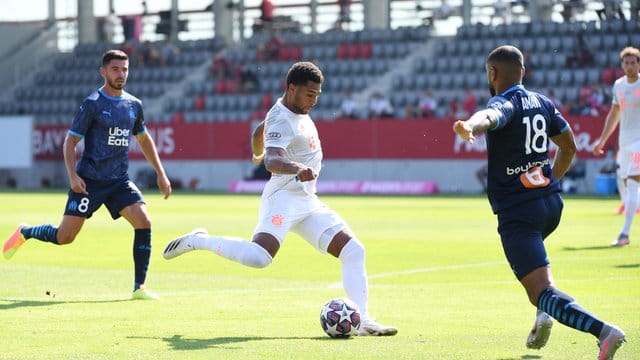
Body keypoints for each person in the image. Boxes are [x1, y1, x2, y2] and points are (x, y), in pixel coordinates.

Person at [163, 62, 397, 336]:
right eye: (310, 94)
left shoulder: (289, 111)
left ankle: (364, 320)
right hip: (283, 199)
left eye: (318, 95)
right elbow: (273, 161)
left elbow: (257, 134)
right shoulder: (282, 118)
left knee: (354, 251)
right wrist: (294, 167)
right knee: (259, 258)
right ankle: (199, 239)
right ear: (292, 88)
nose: (315, 100)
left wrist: (255, 152)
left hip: (307, 201)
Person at [453, 45, 625, 359]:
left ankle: (604, 332)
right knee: (538, 269)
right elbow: (569, 147)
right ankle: (544, 316)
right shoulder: (543, 102)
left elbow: (490, 116)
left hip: (519, 212)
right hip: (550, 206)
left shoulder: (502, 102)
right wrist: (552, 181)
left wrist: (470, 126)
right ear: (524, 72)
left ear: (493, 73)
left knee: (539, 290)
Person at [3, 49, 172, 300]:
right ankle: (26, 232)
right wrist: (72, 176)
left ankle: (140, 287)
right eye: (115, 69)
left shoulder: (134, 105)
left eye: (125, 69)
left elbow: (143, 138)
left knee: (144, 221)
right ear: (103, 71)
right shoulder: (92, 104)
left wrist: (161, 173)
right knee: (65, 237)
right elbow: (69, 143)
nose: (121, 74)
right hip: (89, 181)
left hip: (118, 181)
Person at [593, 46, 640, 246]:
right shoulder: (618, 86)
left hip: (639, 143)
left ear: (639, 64)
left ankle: (624, 234)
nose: (630, 66)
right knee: (625, 182)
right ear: (621, 65)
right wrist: (602, 140)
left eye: (633, 62)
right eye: (626, 62)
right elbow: (614, 115)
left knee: (632, 183)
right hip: (625, 143)